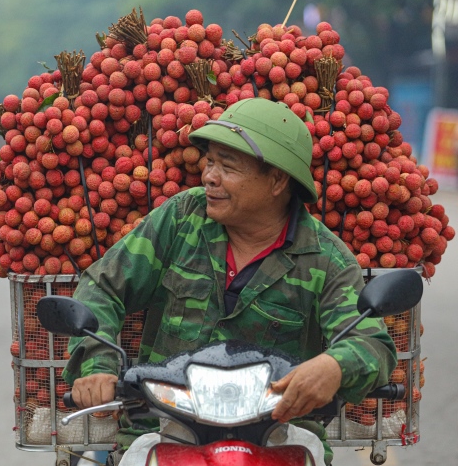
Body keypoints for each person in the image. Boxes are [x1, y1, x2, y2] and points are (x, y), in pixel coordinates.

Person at [62, 98, 397, 465]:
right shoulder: (181, 218)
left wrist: (335, 366)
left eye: (228, 166)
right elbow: (103, 286)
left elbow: (371, 343)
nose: (209, 176)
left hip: (280, 436)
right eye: (210, 163)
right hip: (164, 427)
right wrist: (98, 366)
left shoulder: (323, 257)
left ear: (277, 180)